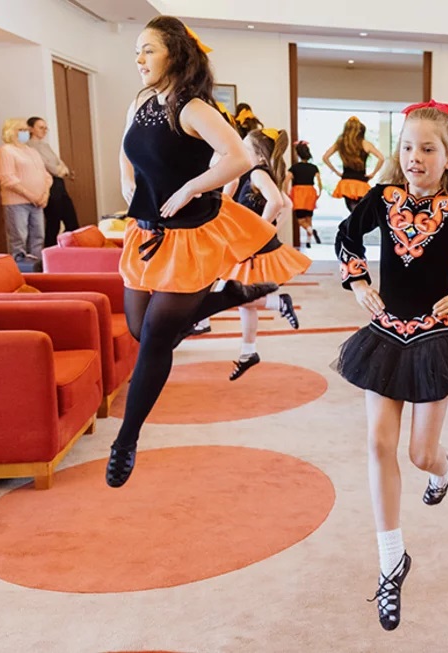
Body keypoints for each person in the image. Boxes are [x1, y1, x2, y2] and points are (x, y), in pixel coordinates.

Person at [333, 100, 448, 631]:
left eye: (427, 149)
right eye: (407, 147)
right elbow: (345, 237)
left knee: (419, 453)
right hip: (384, 336)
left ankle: (445, 469)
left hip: (436, 340)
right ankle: (391, 561)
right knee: (378, 444)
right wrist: (360, 282)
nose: (414, 157)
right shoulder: (380, 197)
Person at [108, 16, 280, 487]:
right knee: (140, 330)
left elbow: (240, 158)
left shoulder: (193, 107)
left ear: (174, 54)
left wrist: (188, 190)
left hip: (188, 235)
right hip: (144, 233)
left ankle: (126, 438)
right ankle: (235, 294)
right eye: (137, 52)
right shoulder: (141, 101)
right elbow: (126, 149)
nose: (139, 59)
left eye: (148, 50)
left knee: (159, 335)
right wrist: (128, 182)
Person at [226, 128, 311, 380]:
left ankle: (277, 302)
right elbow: (287, 204)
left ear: (260, 156)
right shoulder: (258, 174)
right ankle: (248, 352)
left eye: (246, 149)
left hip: (254, 247)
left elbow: (276, 202)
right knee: (244, 303)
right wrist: (271, 227)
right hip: (252, 246)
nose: (241, 153)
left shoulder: (258, 173)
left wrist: (260, 230)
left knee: (230, 294)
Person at [0, 118, 51, 262]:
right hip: (17, 203)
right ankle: (21, 270)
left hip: (38, 202)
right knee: (19, 239)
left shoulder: (31, 151)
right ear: (10, 132)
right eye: (21, 130)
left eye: (26, 130)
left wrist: (45, 194)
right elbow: (8, 178)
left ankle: (37, 268)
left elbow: (46, 176)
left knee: (38, 237)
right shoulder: (6, 151)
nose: (25, 133)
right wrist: (31, 196)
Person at [26, 117, 80, 246]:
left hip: (59, 184)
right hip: (48, 185)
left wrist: (61, 169)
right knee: (53, 222)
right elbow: (50, 166)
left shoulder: (45, 145)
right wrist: (59, 170)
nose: (44, 130)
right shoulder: (29, 147)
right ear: (31, 129)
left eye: (46, 128)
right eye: (41, 127)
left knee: (71, 220)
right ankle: (50, 252)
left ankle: (70, 249)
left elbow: (59, 163)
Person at [323, 116, 385, 211]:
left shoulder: (341, 143)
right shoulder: (365, 144)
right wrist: (373, 174)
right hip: (361, 182)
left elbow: (325, 157)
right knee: (361, 213)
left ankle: (353, 225)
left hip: (346, 182)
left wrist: (336, 172)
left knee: (352, 212)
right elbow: (381, 158)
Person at [287, 140, 322, 248]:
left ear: (297, 153)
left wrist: (286, 192)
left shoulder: (294, 168)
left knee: (300, 219)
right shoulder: (314, 167)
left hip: (299, 193)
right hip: (310, 192)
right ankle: (308, 241)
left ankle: (309, 230)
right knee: (308, 218)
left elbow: (286, 180)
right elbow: (319, 182)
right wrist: (319, 194)